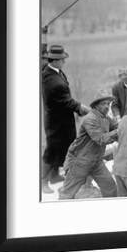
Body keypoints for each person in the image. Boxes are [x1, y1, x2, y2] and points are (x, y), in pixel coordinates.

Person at [41, 45, 90, 194]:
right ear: (55, 61)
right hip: (56, 123)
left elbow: (65, 100)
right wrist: (82, 108)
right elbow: (66, 101)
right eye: (62, 60)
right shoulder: (52, 80)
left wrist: (78, 108)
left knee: (63, 147)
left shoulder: (55, 72)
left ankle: (54, 176)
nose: (64, 62)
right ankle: (42, 181)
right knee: (52, 150)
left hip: (61, 119)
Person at [58, 90, 118, 199]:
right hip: (80, 161)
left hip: (96, 161)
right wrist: (117, 132)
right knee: (68, 193)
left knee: (110, 187)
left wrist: (126, 122)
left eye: (108, 104)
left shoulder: (105, 118)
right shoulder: (90, 118)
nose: (106, 107)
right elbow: (100, 138)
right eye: (103, 104)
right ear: (96, 105)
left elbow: (117, 126)